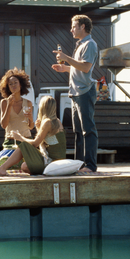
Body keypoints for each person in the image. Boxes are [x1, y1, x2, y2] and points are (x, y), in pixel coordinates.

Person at [52, 14, 99, 173]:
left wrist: (66, 58)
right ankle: (79, 165)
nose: (71, 29)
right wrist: (64, 68)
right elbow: (80, 67)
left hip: (85, 92)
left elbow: (86, 68)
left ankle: (90, 166)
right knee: (78, 131)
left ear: (82, 27)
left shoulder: (90, 44)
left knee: (88, 130)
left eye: (73, 26)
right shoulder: (80, 45)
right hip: (75, 93)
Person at [0, 96, 67, 176]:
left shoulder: (47, 122)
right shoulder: (57, 121)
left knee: (23, 146)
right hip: (56, 160)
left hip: (52, 162)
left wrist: (20, 138)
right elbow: (46, 143)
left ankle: (2, 168)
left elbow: (35, 144)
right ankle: (2, 168)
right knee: (24, 166)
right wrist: (38, 128)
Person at [0, 68, 36, 173]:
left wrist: (31, 118)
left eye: (15, 83)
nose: (13, 85)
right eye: (10, 84)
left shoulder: (28, 103)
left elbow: (31, 126)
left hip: (26, 140)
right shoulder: (4, 103)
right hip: (11, 142)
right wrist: (9, 106)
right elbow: (4, 125)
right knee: (0, 163)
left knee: (26, 164)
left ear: (21, 84)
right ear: (7, 87)